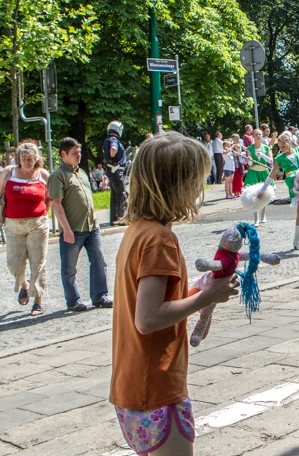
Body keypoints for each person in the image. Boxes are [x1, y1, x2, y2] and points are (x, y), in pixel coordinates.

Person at [110, 132, 239, 456]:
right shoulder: (160, 239)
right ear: (176, 185)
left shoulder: (137, 230)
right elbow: (149, 318)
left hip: (132, 385)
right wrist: (207, 297)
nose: (199, 188)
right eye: (196, 180)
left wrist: (199, 287)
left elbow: (154, 300)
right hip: (156, 386)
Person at [48, 137, 113, 311]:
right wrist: (66, 229)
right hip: (73, 229)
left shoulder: (81, 172)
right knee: (69, 268)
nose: (79, 155)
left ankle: (100, 296)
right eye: (74, 153)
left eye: (79, 152)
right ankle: (73, 300)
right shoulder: (57, 176)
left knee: (99, 261)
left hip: (91, 227)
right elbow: (56, 204)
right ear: (63, 154)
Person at [2, 141, 50, 316]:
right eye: (24, 158)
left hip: (37, 224)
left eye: (30, 158)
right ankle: (25, 285)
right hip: (13, 225)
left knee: (38, 262)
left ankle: (38, 301)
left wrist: (42, 216)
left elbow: (49, 197)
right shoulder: (8, 173)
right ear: (19, 158)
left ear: (36, 158)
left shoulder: (43, 175)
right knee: (14, 263)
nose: (27, 161)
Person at [257, 132, 299, 250]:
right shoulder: (279, 158)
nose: (282, 149)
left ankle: (296, 241)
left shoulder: (298, 150)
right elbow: (272, 174)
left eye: (284, 146)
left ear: (289, 143)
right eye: (280, 147)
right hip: (292, 179)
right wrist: (262, 189)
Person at [244, 129, 273, 226]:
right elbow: (250, 163)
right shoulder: (249, 148)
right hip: (253, 172)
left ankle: (263, 216)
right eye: (256, 134)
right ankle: (256, 219)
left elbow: (271, 161)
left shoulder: (266, 148)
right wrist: (249, 160)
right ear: (253, 136)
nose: (258, 136)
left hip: (264, 172)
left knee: (265, 193)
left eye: (259, 134)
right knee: (255, 195)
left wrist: (263, 155)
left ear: (262, 135)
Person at [103, 121, 128, 225]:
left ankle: (114, 218)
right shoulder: (113, 140)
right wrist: (112, 158)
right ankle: (121, 218)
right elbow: (113, 149)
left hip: (111, 169)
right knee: (121, 193)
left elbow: (103, 150)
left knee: (114, 194)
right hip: (116, 169)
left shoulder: (107, 140)